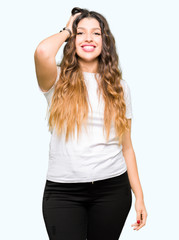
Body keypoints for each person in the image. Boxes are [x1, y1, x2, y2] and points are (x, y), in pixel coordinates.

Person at [34, 7, 147, 240]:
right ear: (71, 40)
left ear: (105, 42)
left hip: (112, 190)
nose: (88, 38)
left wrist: (140, 197)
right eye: (80, 33)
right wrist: (68, 28)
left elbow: (127, 147)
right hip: (63, 192)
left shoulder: (120, 87)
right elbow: (42, 52)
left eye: (96, 33)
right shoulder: (56, 79)